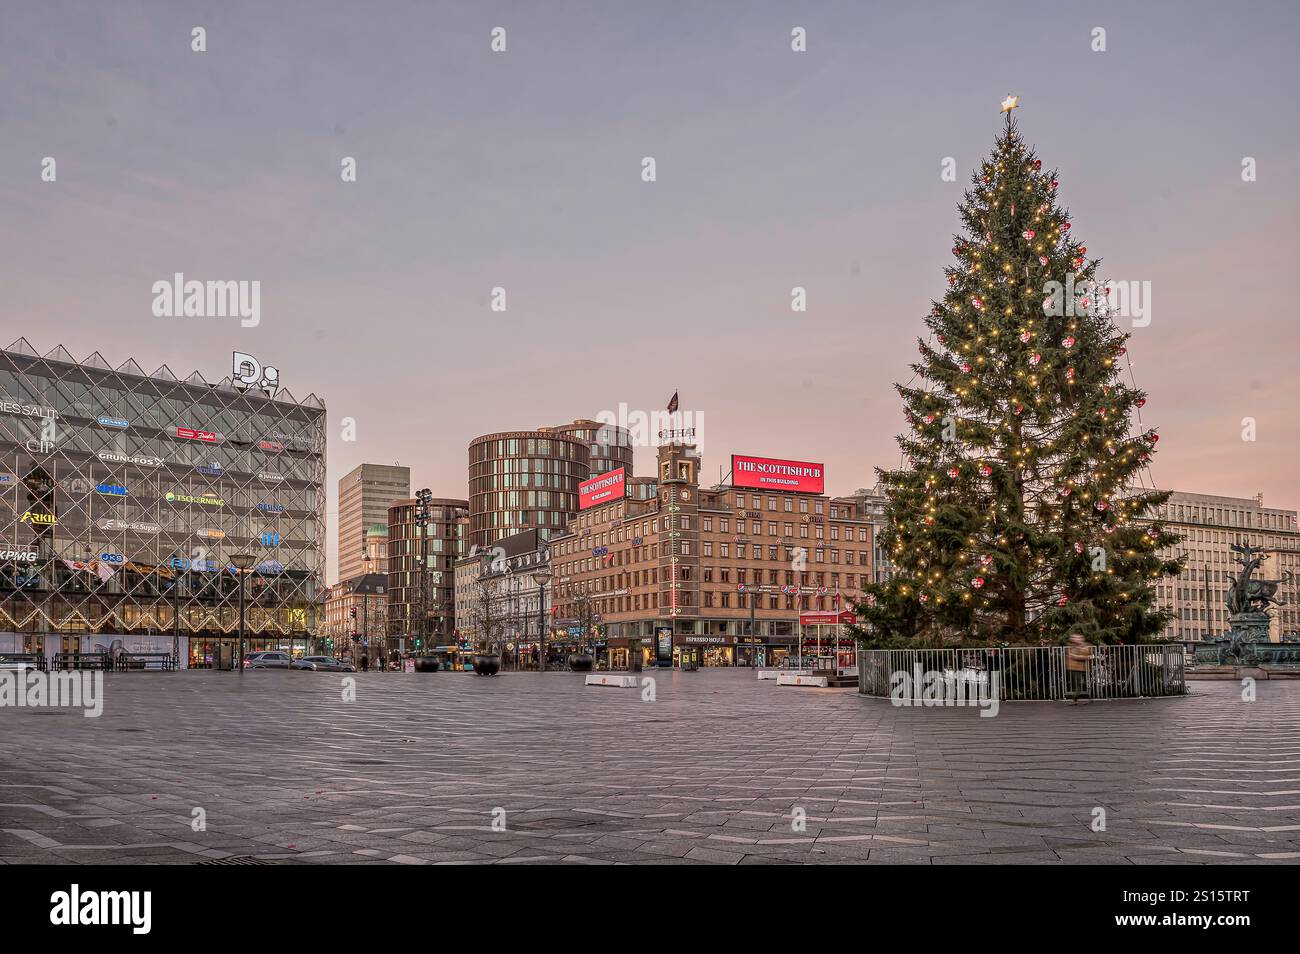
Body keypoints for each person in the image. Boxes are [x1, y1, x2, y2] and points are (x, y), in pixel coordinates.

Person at [1066, 634, 1093, 702]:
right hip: (1074, 667)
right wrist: (1086, 657)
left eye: (1079, 638)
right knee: (1080, 683)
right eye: (1075, 638)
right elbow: (1073, 656)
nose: (1077, 639)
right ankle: (1075, 698)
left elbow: (1089, 653)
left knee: (1085, 682)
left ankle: (1087, 698)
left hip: (1083, 667)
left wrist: (1086, 655)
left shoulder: (1084, 646)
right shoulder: (1071, 646)